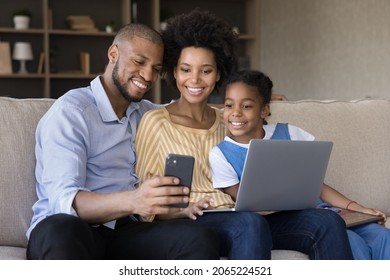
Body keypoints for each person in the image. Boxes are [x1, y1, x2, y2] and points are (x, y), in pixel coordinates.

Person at [134, 9, 353, 259]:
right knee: (249, 224)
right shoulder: (156, 121)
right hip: (193, 220)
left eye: (205, 71)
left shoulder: (227, 120)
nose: (195, 79)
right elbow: (146, 201)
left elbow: (249, 118)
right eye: (185, 69)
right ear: (174, 72)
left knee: (325, 222)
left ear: (218, 75)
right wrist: (180, 211)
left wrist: (262, 102)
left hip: (245, 215)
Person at [26, 23, 221, 260]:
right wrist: (135, 201)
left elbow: (188, 108)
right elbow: (65, 202)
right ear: (113, 54)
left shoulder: (146, 113)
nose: (148, 76)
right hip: (72, 232)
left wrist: (249, 100)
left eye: (156, 68)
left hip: (125, 231)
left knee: (199, 238)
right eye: (139, 62)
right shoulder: (71, 112)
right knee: (61, 229)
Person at [209, 69, 390, 260]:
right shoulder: (221, 154)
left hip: (325, 212)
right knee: (352, 241)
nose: (235, 113)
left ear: (264, 110)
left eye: (246, 106)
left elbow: (317, 186)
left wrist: (358, 208)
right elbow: (246, 202)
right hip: (279, 221)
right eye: (229, 105)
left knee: (382, 236)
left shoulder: (290, 133)